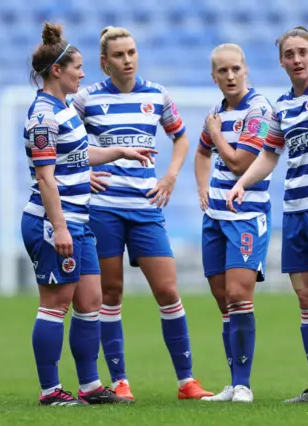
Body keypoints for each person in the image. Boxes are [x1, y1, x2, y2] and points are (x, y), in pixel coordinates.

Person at [70, 26, 214, 402]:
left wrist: (169, 176)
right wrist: (84, 174)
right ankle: (120, 381)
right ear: (104, 62)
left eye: (131, 52)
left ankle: (187, 382)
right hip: (103, 209)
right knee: (110, 292)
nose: (128, 59)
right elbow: (60, 142)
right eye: (119, 55)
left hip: (146, 206)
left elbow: (180, 136)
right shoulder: (85, 99)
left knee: (167, 290)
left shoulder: (157, 94)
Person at [22, 22, 156, 406]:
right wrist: (59, 227)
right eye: (77, 67)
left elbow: (77, 156)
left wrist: (118, 152)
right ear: (57, 72)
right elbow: (46, 179)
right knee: (56, 304)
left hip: (79, 223)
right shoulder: (43, 115)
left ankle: (91, 386)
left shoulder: (64, 109)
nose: (83, 73)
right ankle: (50, 392)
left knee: (91, 300)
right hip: (54, 224)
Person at [226, 27, 308, 404]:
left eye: (303, 52)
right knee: (307, 299)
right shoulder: (281, 107)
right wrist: (243, 183)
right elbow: (269, 155)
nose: (297, 59)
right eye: (289, 54)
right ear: (281, 61)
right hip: (296, 212)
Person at [193, 44, 273, 403]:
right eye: (222, 71)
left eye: (235, 69)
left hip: (247, 216)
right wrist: (202, 189)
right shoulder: (215, 112)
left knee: (240, 296)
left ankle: (244, 384)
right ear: (213, 76)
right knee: (223, 300)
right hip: (216, 218)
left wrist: (217, 135)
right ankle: (233, 382)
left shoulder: (258, 110)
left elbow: (242, 162)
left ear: (246, 69)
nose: (230, 76)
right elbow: (201, 152)